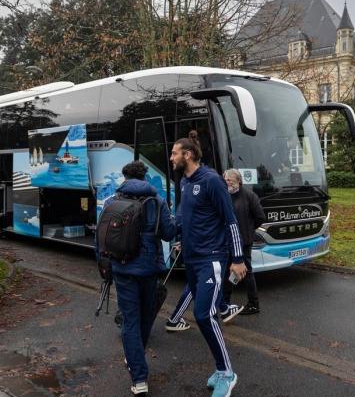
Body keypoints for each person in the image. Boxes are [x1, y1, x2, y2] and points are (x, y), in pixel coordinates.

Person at [170, 138, 247, 397]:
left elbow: (231, 221)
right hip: (191, 258)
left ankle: (227, 373)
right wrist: (179, 237)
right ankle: (220, 367)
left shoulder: (211, 180)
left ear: (188, 155)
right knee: (205, 315)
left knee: (204, 315)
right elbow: (185, 215)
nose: (171, 158)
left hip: (211, 259)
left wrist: (237, 259)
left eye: (174, 153)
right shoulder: (185, 181)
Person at [96, 161, 176, 396]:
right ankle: (135, 356)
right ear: (145, 177)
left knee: (130, 319)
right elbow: (169, 233)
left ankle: (139, 378)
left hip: (122, 269)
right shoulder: (157, 201)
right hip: (149, 269)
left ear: (125, 177)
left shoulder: (112, 202)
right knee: (146, 314)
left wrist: (104, 267)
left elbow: (101, 238)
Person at [222, 169, 265, 315]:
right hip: (227, 241)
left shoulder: (249, 196)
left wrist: (248, 230)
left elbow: (260, 217)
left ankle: (254, 304)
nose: (227, 182)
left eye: (230, 180)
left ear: (239, 181)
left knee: (246, 272)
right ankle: (225, 302)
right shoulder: (224, 195)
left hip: (244, 242)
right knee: (228, 271)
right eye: (226, 179)